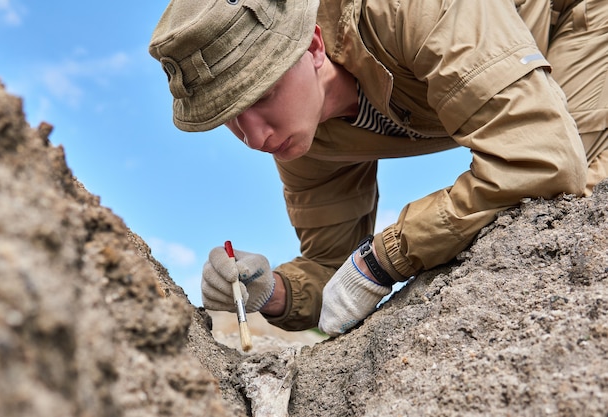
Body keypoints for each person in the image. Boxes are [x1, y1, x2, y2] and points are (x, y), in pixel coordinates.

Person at [149, 0, 608, 337]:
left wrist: (386, 256)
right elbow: (335, 267)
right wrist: (271, 291)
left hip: (577, 19)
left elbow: (542, 159)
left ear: (312, 46)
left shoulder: (409, 10)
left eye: (261, 95)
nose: (255, 137)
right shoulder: (301, 139)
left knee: (570, 202)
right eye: (229, 115)